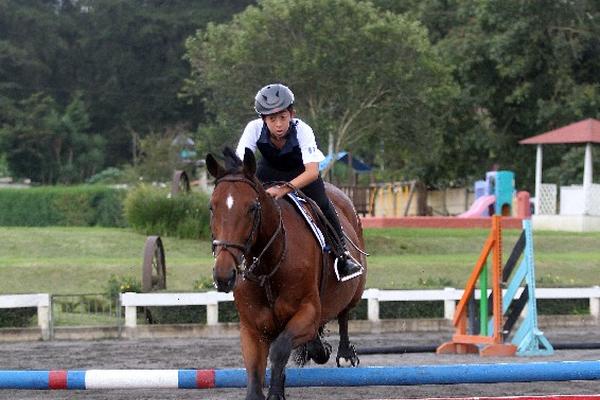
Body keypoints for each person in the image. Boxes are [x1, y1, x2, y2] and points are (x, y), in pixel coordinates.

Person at [235, 83, 362, 281]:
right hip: (268, 171)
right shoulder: (253, 128)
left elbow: (312, 171)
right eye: (272, 119)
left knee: (323, 205)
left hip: (302, 172)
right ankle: (237, 257)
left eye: (283, 117)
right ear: (263, 119)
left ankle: (342, 256)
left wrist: (284, 189)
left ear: (292, 114)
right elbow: (241, 165)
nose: (278, 124)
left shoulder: (303, 130)